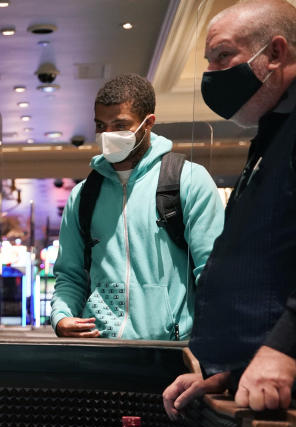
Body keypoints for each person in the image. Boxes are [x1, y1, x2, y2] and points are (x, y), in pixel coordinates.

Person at [164, 0, 296, 416]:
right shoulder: (273, 131)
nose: (211, 73)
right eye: (209, 60)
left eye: (223, 56)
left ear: (275, 53)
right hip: (255, 380)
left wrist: (282, 350)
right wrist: (230, 368)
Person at [51, 74, 225, 340]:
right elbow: (69, 275)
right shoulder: (83, 195)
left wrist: (212, 347)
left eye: (120, 125)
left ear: (148, 124)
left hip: (170, 349)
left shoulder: (188, 180)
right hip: (97, 349)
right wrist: (61, 316)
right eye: (101, 125)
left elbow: (213, 274)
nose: (107, 135)